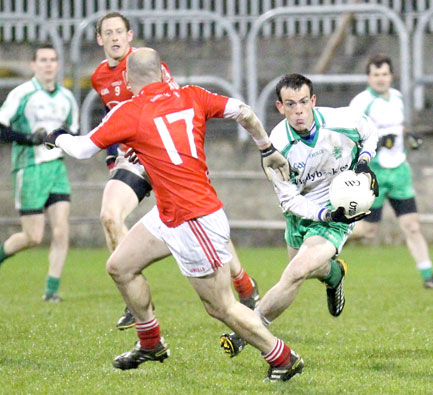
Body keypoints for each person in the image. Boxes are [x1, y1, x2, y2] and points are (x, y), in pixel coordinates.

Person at [44, 47, 302, 382]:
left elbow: (80, 148)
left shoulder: (130, 111)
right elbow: (244, 111)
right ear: (163, 71)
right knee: (120, 267)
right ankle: (150, 343)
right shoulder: (192, 95)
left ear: (126, 78)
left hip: (194, 219)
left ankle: (282, 357)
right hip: (169, 214)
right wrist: (266, 148)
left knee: (220, 307)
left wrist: (54, 137)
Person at [92, 12, 259, 330]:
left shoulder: (147, 67)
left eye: (119, 32)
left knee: (201, 223)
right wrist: (113, 159)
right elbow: (110, 117)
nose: (114, 38)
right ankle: (135, 300)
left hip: (169, 160)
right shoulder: (100, 76)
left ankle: (244, 284)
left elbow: (178, 109)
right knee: (109, 215)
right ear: (99, 39)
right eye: (107, 33)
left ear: (130, 36)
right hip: (135, 160)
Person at [219, 73, 379, 360]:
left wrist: (365, 162)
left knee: (294, 273)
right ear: (280, 107)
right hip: (300, 215)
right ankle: (334, 274)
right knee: (302, 270)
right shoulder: (276, 146)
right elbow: (290, 199)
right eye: (291, 104)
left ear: (313, 101)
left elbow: (370, 133)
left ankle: (247, 331)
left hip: (338, 215)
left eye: (304, 102)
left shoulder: (340, 121)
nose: (299, 110)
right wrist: (322, 212)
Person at [349, 54, 433, 289]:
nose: (381, 79)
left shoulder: (398, 98)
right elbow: (349, 137)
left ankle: (428, 277)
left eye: (384, 74)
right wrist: (378, 143)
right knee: (368, 231)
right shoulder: (360, 103)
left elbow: (396, 125)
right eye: (376, 75)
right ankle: (326, 235)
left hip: (400, 172)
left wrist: (407, 133)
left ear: (391, 75)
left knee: (412, 225)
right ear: (368, 77)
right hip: (375, 174)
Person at [0, 44, 79, 302]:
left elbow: (73, 133)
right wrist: (28, 138)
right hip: (29, 168)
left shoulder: (67, 98)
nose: (48, 64)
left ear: (58, 65)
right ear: (33, 65)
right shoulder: (22, 94)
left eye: (53, 60)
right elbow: (2, 128)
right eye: (43, 60)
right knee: (33, 237)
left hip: (56, 167)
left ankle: (51, 290)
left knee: (61, 229)